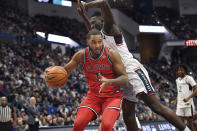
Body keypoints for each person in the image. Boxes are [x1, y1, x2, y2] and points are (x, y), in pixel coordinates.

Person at [77, 0, 190, 130]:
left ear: (101, 22)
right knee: (128, 116)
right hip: (122, 76)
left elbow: (103, 3)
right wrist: (83, 16)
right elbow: (89, 28)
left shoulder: (110, 28)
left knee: (155, 106)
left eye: (92, 23)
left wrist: (87, 6)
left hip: (132, 70)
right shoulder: (97, 40)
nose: (90, 27)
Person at [62, 28, 128, 131]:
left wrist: (109, 81)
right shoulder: (81, 55)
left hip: (112, 96)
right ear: (87, 41)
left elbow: (125, 78)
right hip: (93, 97)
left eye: (99, 42)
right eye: (93, 42)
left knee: (106, 126)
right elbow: (64, 71)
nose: (97, 45)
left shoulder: (111, 54)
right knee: (77, 125)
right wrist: (52, 72)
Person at [172, 65, 197, 131]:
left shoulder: (189, 78)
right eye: (178, 70)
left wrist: (188, 98)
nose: (179, 71)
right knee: (179, 124)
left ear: (185, 71)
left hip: (188, 105)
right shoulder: (177, 80)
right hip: (180, 105)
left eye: (181, 70)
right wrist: (175, 100)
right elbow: (179, 92)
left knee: (190, 125)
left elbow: (196, 89)